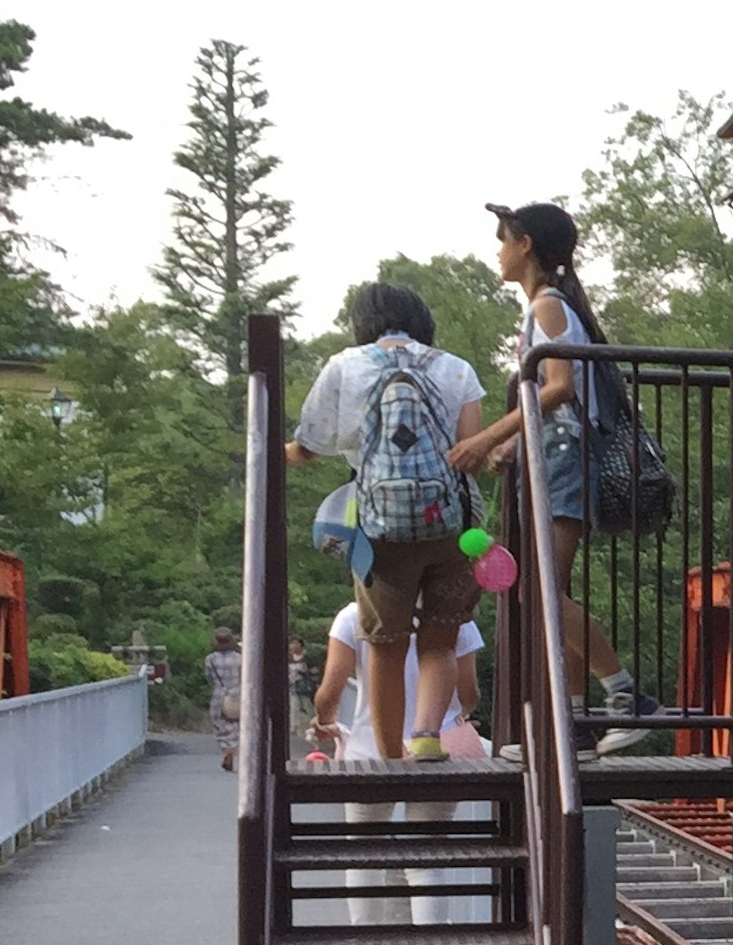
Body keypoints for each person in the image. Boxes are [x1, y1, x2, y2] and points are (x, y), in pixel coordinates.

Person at [448, 200, 657, 753]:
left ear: (527, 247)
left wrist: (486, 437)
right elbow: (564, 394)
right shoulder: (547, 306)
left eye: (504, 239)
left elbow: (560, 387)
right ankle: (563, 729)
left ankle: (624, 696)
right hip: (553, 452)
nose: (498, 250)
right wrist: (515, 443)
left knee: (541, 593)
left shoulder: (546, 306)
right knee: (541, 594)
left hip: (565, 455)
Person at [286, 282, 490, 762]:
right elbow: (471, 453)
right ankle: (425, 738)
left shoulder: (344, 366)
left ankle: (388, 757)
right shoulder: (456, 368)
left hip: (379, 528)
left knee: (383, 645)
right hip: (451, 525)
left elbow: (308, 448)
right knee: (440, 637)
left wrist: (267, 453)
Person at [305, 604, 495, 945]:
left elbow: (331, 690)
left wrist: (324, 719)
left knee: (363, 857)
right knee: (427, 862)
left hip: (368, 750)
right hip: (435, 749)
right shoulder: (454, 616)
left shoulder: (353, 616)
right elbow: (469, 694)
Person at [208, 625, 244, 769]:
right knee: (237, 726)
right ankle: (232, 750)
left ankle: (225, 751)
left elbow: (209, 677)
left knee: (220, 725)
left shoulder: (210, 659)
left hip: (219, 695)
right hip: (238, 694)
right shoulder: (240, 658)